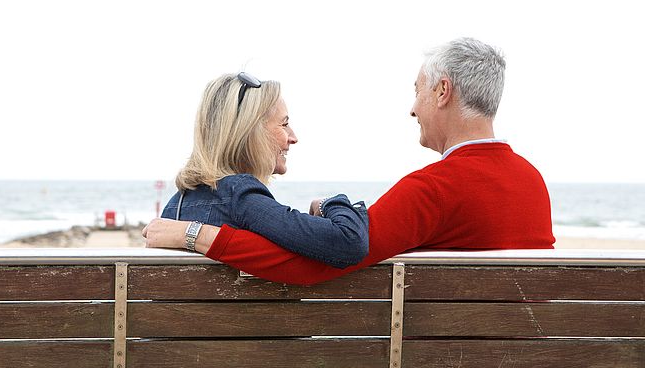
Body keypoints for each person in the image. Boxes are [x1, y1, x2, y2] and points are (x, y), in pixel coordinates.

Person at [143, 38, 555, 285]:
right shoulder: (533, 181)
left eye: (418, 91)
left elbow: (314, 263)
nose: (413, 108)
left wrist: (195, 235)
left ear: (443, 92)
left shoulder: (432, 189)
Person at [149, 72, 369, 269]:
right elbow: (349, 241)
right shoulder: (241, 196)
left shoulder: (176, 205)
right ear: (252, 134)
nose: (293, 137)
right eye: (284, 125)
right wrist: (327, 203)